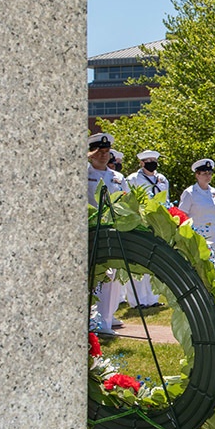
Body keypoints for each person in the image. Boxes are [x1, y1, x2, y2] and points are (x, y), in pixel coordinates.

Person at [87, 133, 130, 336]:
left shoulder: (118, 178)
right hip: (89, 231)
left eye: (106, 153)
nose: (103, 156)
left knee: (110, 277)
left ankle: (104, 322)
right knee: (89, 278)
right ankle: (87, 320)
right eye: (99, 152)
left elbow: (127, 203)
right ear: (91, 154)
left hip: (112, 232)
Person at [125, 150, 169, 308]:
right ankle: (137, 301)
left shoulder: (162, 179)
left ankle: (153, 299)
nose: (152, 163)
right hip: (140, 223)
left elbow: (166, 201)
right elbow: (128, 202)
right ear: (141, 163)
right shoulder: (132, 179)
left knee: (154, 262)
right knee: (138, 263)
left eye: (154, 160)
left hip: (157, 224)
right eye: (148, 160)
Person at [178, 159, 215, 255]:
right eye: (204, 173)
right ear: (197, 175)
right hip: (198, 234)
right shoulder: (190, 193)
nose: (208, 176)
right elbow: (182, 216)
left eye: (210, 173)